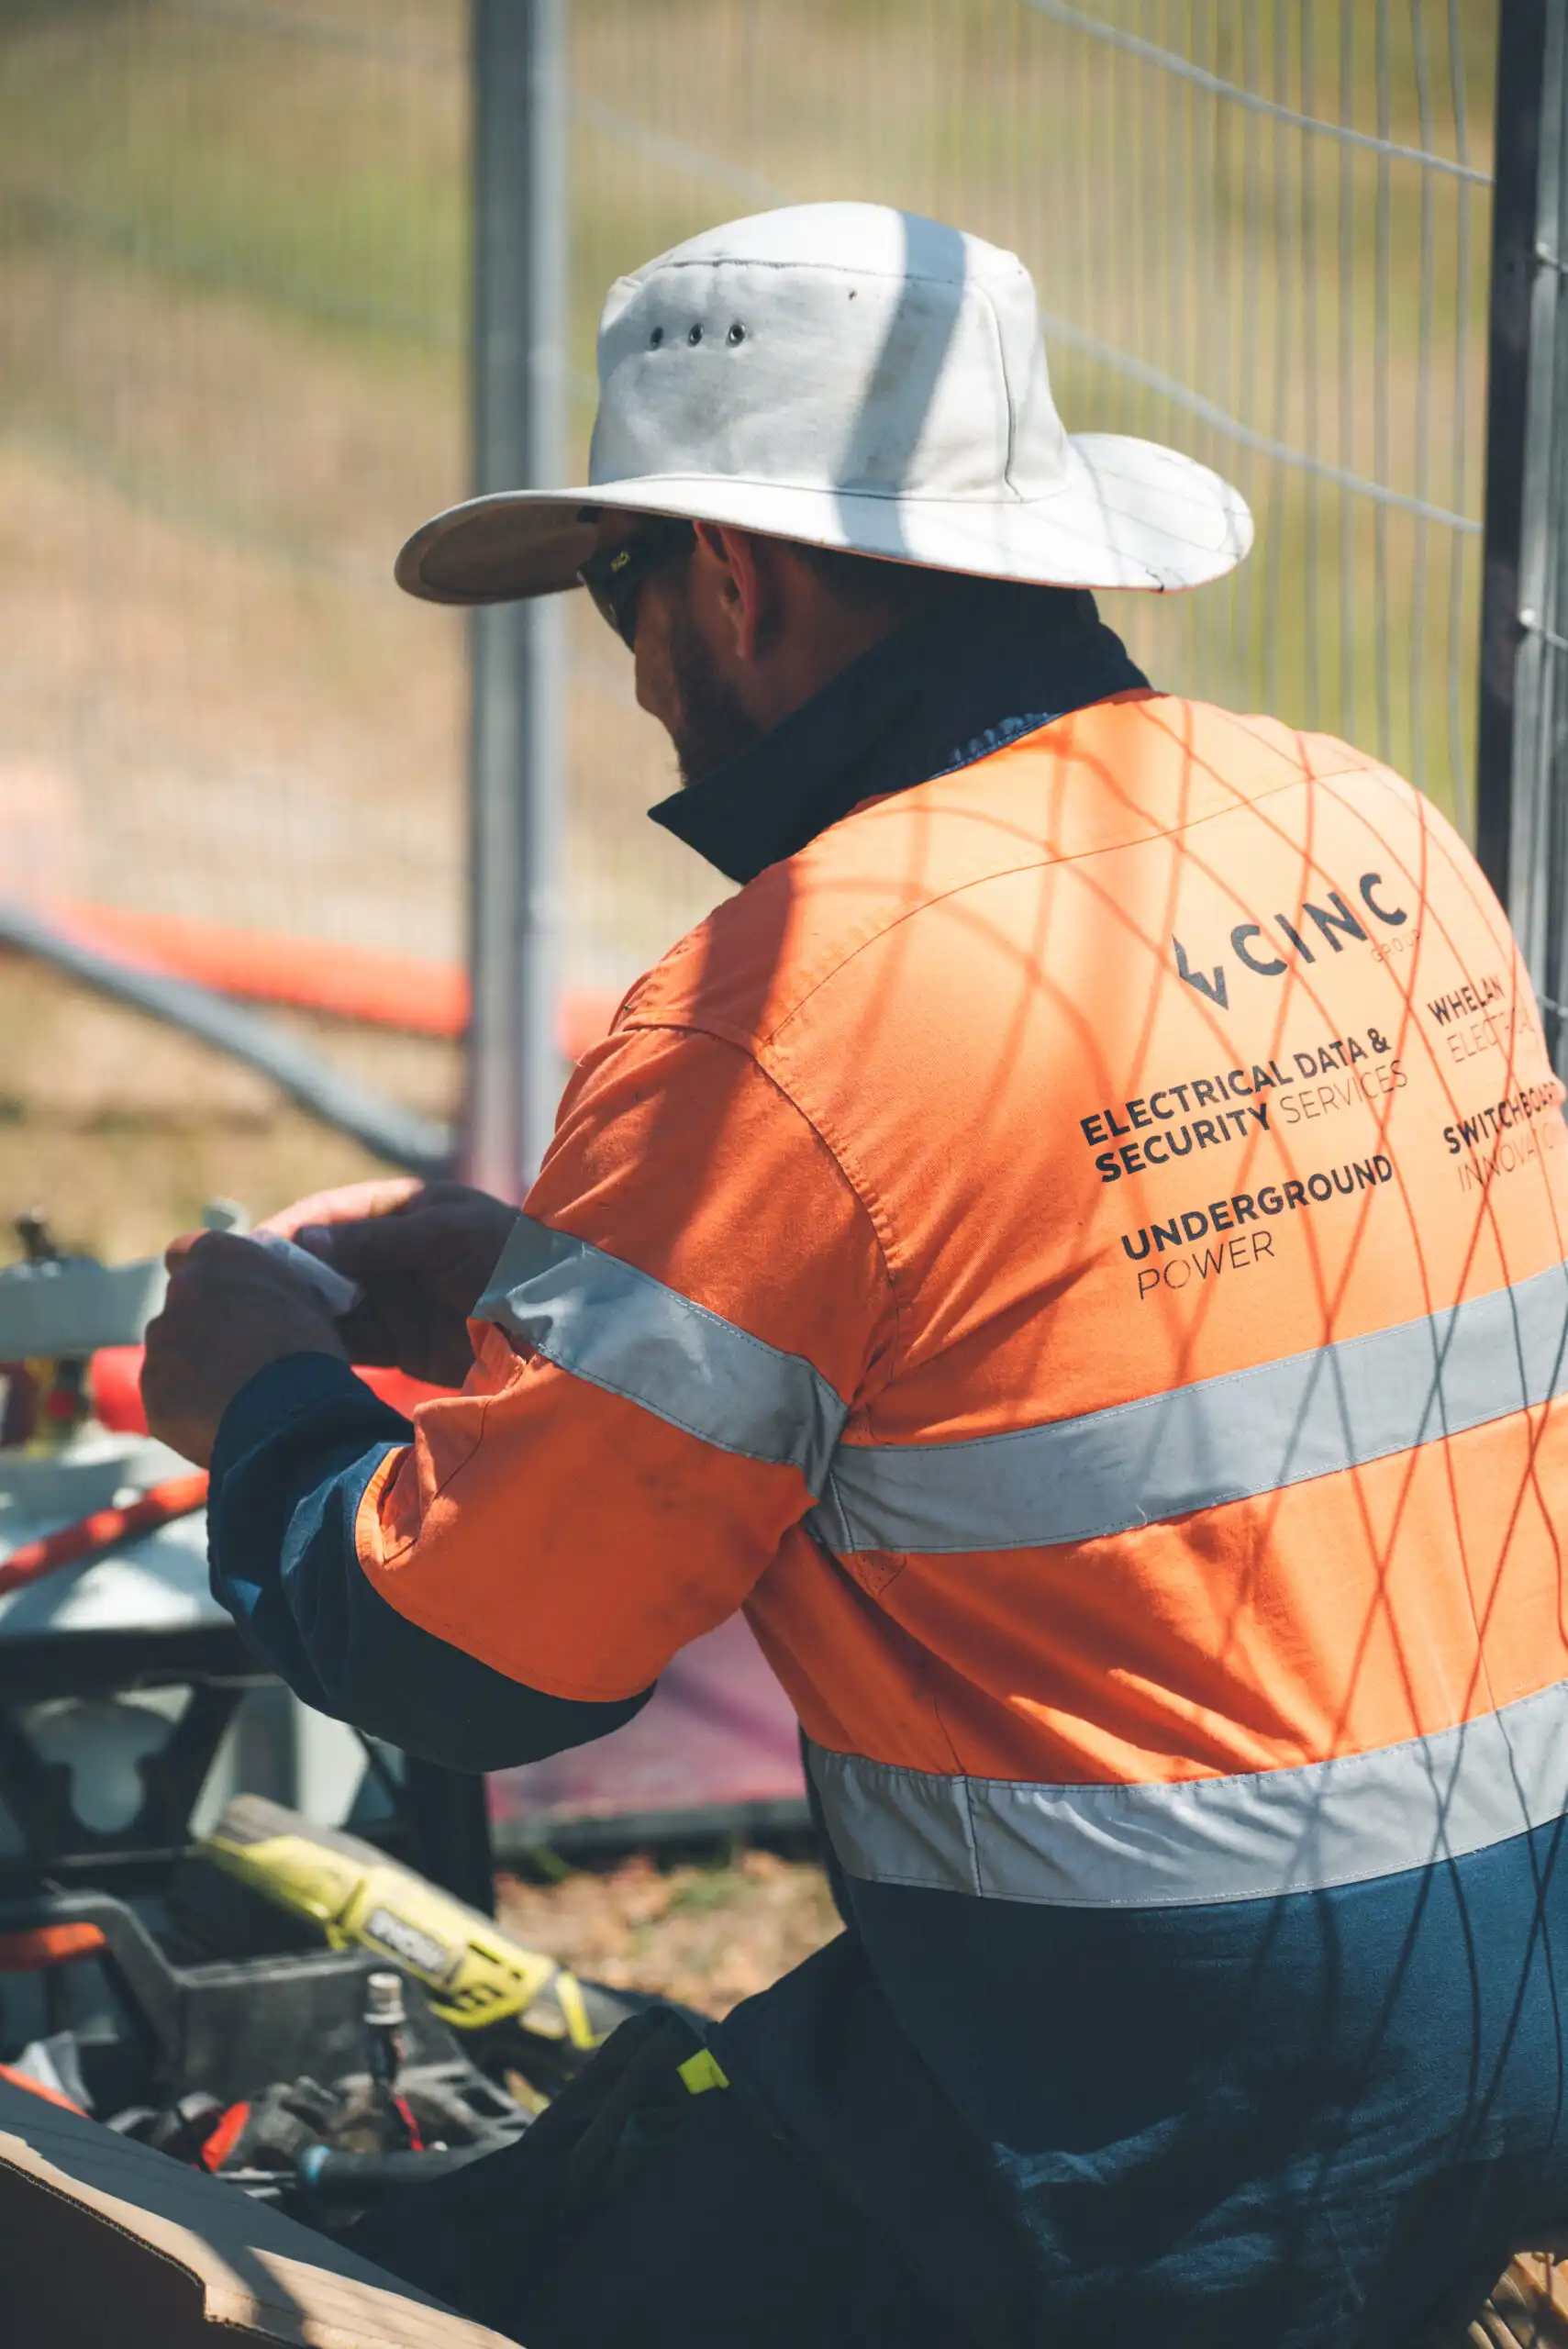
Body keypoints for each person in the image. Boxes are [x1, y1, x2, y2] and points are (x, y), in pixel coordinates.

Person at [142, 204, 1568, 2348]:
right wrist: (562, 1279)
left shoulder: (792, 998)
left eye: (617, 592)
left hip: (1146, 2083)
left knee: (507, 2285)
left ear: (734, 573)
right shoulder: (1348, 822)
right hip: (1513, 1982)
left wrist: (260, 1393)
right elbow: (1064, 1282)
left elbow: (475, 1658)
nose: (634, 674)